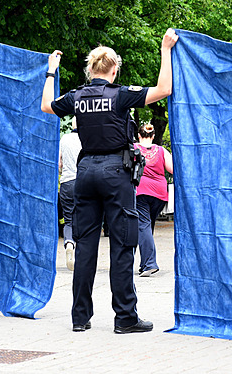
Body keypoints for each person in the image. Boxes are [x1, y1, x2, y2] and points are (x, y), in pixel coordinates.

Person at [41, 28, 179, 333]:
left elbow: (46, 106)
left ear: (91, 70)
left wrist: (51, 71)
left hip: (85, 172)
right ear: (114, 70)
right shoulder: (121, 95)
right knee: (122, 243)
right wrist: (166, 50)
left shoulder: (76, 96)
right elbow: (163, 89)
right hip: (116, 173)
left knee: (86, 245)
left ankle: (80, 318)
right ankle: (125, 318)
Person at [134, 123, 173, 277]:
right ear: (153, 136)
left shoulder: (133, 148)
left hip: (141, 190)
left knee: (143, 226)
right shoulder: (162, 150)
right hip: (159, 193)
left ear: (139, 135)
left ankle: (150, 263)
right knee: (147, 226)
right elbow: (173, 169)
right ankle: (145, 263)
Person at [59, 116, 82, 271]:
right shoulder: (88, 138)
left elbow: (59, 162)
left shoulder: (64, 139)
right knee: (84, 219)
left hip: (67, 182)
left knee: (68, 219)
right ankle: (81, 254)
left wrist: (63, 170)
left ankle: (68, 243)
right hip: (84, 182)